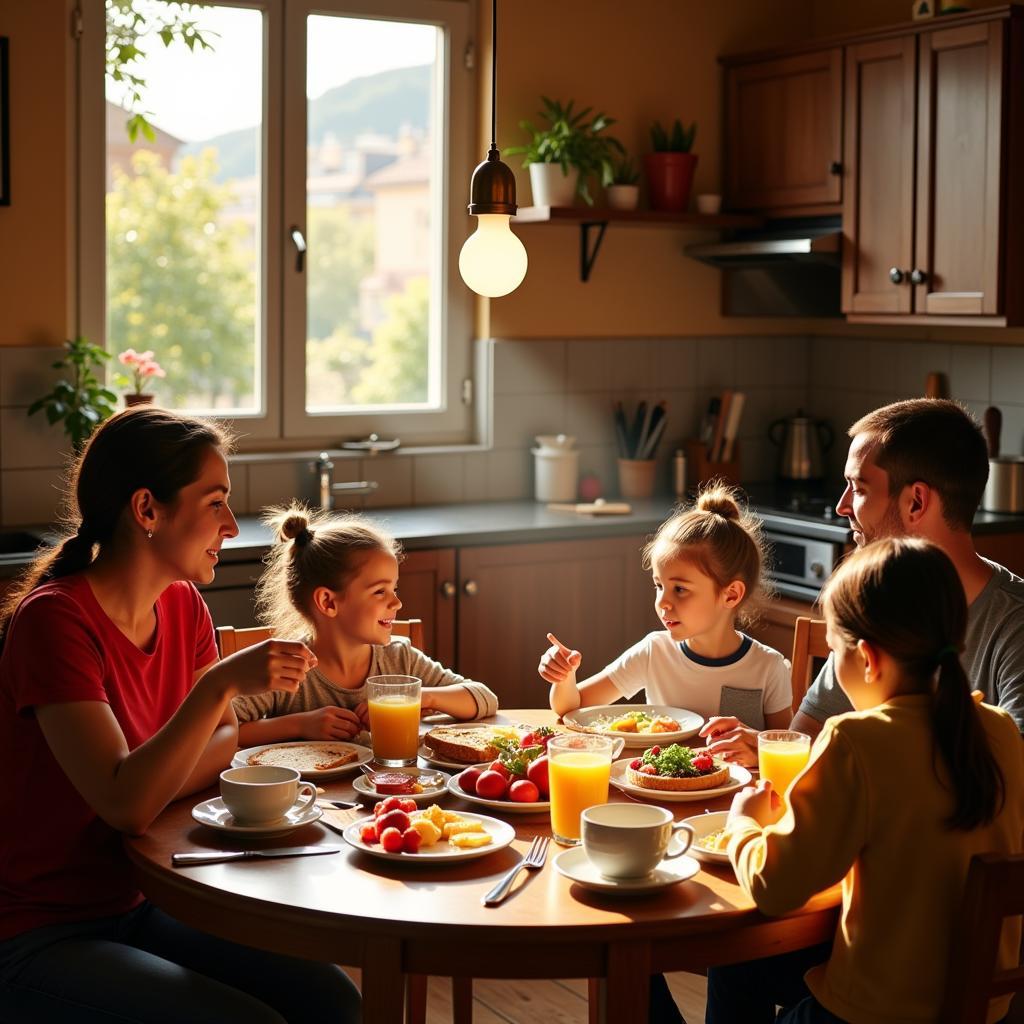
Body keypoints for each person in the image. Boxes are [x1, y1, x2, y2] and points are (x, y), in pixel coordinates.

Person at [0, 408, 360, 1023]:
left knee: (330, 999)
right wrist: (219, 685)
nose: (230, 525)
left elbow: (213, 747)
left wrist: (198, 734)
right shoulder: (55, 621)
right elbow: (127, 804)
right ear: (147, 510)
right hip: (38, 928)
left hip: (142, 898)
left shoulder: (185, 604)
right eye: (215, 502)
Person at [700, 537, 1024, 1024]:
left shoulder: (856, 741)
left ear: (868, 659)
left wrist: (746, 824)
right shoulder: (1000, 730)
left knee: (732, 956)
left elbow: (775, 887)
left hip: (874, 1012)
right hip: (983, 1009)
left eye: (835, 652)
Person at [702, 398, 1024, 763]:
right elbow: (809, 735)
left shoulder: (1015, 625)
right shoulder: (876, 602)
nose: (842, 506)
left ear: (916, 502)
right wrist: (769, 747)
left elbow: (1013, 779)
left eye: (859, 488)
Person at [538, 483, 791, 736]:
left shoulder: (768, 667)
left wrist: (755, 741)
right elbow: (572, 707)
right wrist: (564, 678)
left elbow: (788, 747)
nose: (662, 602)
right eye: (659, 586)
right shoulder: (653, 653)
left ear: (731, 595)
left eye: (680, 589)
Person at [232, 504, 498, 743]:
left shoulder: (399, 658)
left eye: (395, 588)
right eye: (380, 592)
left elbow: (485, 699)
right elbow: (227, 731)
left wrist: (419, 697)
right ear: (328, 602)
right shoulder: (287, 667)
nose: (397, 603)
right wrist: (299, 724)